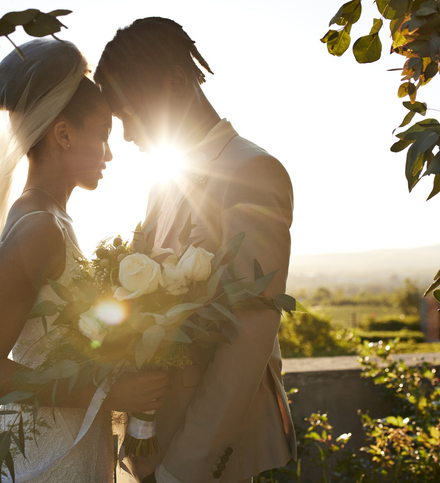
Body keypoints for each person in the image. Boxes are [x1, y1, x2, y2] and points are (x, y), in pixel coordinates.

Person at [0, 38, 169, 483]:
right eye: (103, 136)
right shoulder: (38, 227)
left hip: (67, 445)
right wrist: (108, 391)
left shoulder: (53, 218)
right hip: (40, 462)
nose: (110, 154)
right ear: (64, 133)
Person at [94, 18, 297, 483]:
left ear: (177, 82)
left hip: (210, 458)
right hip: (151, 441)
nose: (125, 135)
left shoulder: (253, 171)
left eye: (131, 113)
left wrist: (179, 472)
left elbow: (250, 333)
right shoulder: (162, 184)